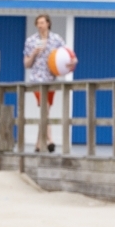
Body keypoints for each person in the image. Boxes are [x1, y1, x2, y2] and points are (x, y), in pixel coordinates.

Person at [23, 14, 72, 152]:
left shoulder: (56, 39)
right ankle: (50, 140)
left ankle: (38, 143)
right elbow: (26, 64)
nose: (40, 25)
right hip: (37, 80)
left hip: (51, 80)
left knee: (46, 110)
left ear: (48, 24)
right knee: (45, 107)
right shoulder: (31, 40)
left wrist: (71, 63)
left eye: (42, 22)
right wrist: (34, 53)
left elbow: (67, 55)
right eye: (38, 23)